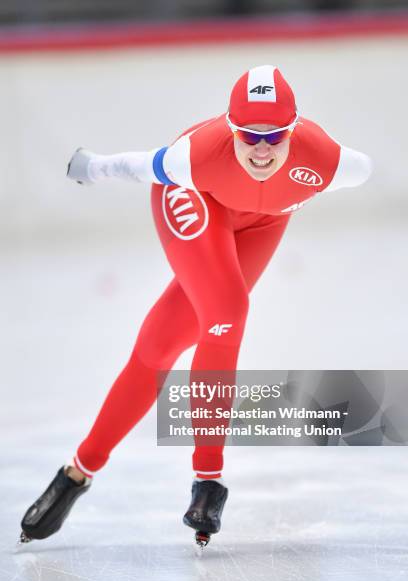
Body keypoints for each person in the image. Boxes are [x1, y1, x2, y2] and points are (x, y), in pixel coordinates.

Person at [20, 65, 372, 547]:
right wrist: (90, 166)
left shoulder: (336, 164)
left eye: (276, 136)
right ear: (231, 128)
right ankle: (208, 479)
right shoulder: (196, 155)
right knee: (227, 312)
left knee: (159, 346)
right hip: (193, 201)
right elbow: (136, 165)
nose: (263, 149)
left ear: (295, 127)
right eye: (249, 135)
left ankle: (75, 474)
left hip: (262, 224)